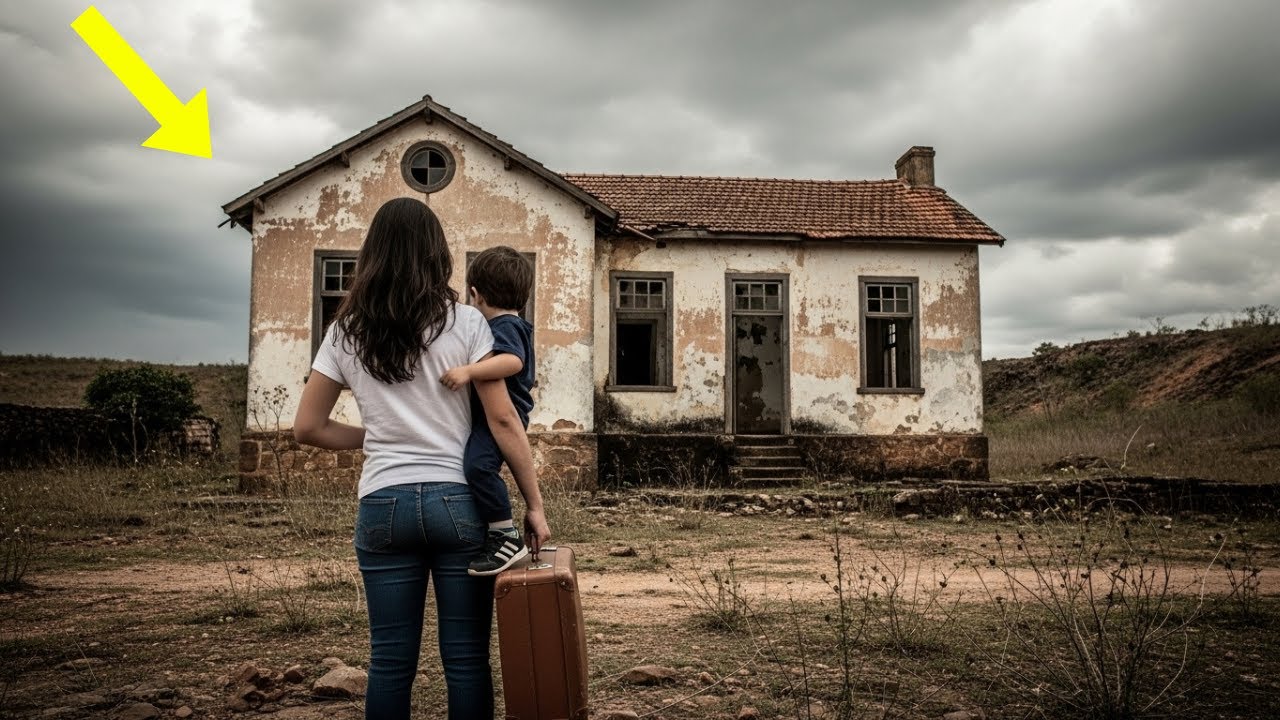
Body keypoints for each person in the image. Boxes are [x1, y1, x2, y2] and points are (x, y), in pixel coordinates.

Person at [293, 196, 551, 720]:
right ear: (438, 256)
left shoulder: (346, 330)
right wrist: (535, 504)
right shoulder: (467, 323)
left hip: (383, 504)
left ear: (372, 255)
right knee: (466, 658)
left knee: (389, 661)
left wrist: (379, 437)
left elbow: (308, 428)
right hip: (457, 504)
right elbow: (503, 421)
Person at [439, 246, 536, 576]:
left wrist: (468, 371)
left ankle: (505, 535)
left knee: (478, 467)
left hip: (506, 416)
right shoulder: (511, 322)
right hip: (493, 417)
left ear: (475, 294)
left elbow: (512, 362)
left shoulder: (505, 326)